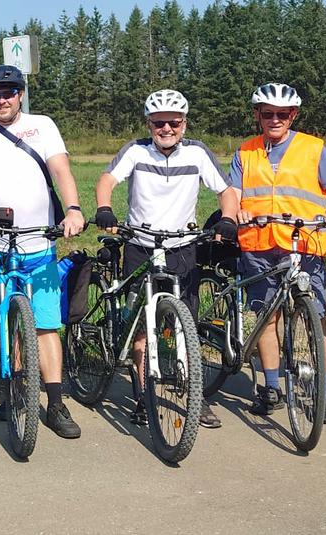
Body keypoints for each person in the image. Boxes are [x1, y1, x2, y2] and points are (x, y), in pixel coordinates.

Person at [0, 65, 87, 439]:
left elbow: (61, 170)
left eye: (8, 92)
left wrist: (73, 209)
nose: (2, 100)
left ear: (20, 94)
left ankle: (55, 404)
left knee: (46, 324)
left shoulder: (43, 126)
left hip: (39, 242)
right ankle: (16, 389)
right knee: (8, 318)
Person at [94, 89, 241, 429]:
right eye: (159, 123)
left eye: (174, 123)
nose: (166, 129)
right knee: (142, 326)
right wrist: (104, 207)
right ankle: (143, 395)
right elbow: (107, 179)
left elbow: (225, 191)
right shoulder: (136, 150)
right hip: (141, 245)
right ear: (149, 124)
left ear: (184, 124)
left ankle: (193, 396)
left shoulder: (197, 153)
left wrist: (228, 218)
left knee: (185, 324)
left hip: (181, 247)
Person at [228, 82, 326, 422]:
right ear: (257, 115)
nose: (275, 119)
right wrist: (234, 214)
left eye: (283, 114)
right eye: (268, 114)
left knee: (316, 317)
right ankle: (271, 387)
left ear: (293, 115)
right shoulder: (245, 152)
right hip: (259, 244)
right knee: (267, 317)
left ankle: (321, 392)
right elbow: (233, 192)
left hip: (305, 244)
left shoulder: (313, 148)